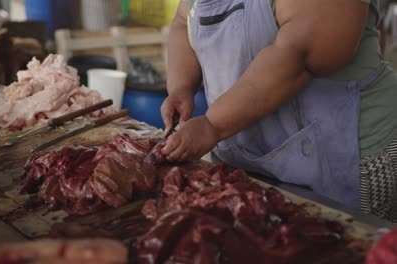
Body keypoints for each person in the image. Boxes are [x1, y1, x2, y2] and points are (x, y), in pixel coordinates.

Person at [161, 0, 397, 221]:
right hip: (249, 158)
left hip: (348, 156)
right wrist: (181, 86)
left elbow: (302, 53)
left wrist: (213, 125)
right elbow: (184, 21)